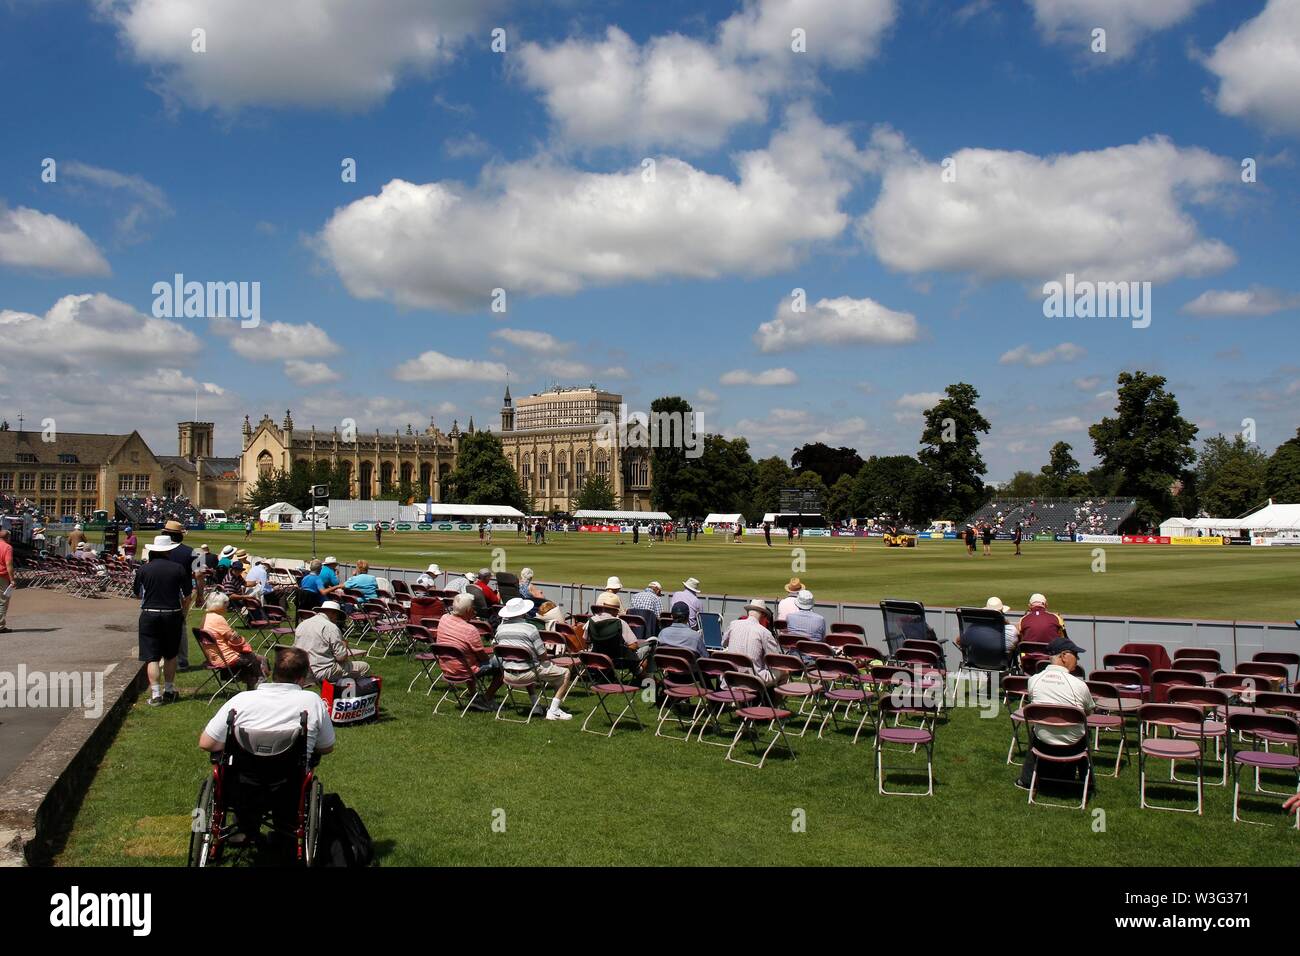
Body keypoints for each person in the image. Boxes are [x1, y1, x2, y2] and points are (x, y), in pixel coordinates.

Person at [1016, 636, 1094, 791]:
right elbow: (1088, 712)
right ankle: (1088, 782)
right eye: (1075, 655)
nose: (1077, 659)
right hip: (1073, 745)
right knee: (1086, 732)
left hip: (1043, 742)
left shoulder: (1034, 681)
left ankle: (1026, 779)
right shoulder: (1079, 685)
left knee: (1036, 730)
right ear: (1064, 656)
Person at [133, 534, 193, 705]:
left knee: (151, 656)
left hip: (149, 613)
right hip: (172, 613)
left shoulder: (144, 569)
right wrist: (183, 611)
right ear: (169, 551)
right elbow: (187, 595)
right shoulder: (178, 568)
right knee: (170, 655)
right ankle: (168, 689)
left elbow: (137, 593)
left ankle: (155, 694)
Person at [494, 597, 574, 720]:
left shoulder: (500, 629)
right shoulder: (530, 629)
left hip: (507, 674)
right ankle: (554, 710)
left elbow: (496, 647)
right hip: (528, 673)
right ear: (523, 612)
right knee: (565, 672)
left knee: (526, 665)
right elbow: (543, 655)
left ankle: (535, 705)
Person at [437, 592, 503, 709]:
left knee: (468, 658)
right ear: (468, 610)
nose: (475, 610)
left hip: (447, 667)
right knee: (502, 664)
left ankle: (474, 694)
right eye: (473, 607)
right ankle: (486, 698)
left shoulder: (444, 618)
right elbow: (482, 657)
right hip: (464, 669)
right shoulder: (470, 630)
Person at [292, 600, 371, 683]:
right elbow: (341, 657)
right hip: (323, 671)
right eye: (337, 615)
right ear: (333, 613)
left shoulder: (303, 624)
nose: (336, 619)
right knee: (364, 667)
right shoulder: (331, 627)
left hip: (302, 669)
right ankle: (349, 694)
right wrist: (343, 645)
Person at [199, 591, 265, 688]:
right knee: (254, 658)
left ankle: (253, 684)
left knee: (251, 657)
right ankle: (258, 683)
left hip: (212, 655)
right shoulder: (218, 619)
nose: (228, 606)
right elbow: (235, 640)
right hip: (223, 658)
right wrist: (241, 639)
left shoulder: (206, 617)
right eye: (226, 603)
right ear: (221, 604)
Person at [721, 599, 783, 686]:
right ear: (763, 615)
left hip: (731, 677)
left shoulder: (733, 624)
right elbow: (774, 660)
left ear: (748, 613)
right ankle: (772, 699)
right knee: (783, 672)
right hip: (754, 680)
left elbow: (723, 643)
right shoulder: (765, 633)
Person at [0, 528, 14, 633]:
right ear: (7, 537)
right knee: (2, 601)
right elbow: (9, 564)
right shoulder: (7, 547)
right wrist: (12, 579)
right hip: (2, 576)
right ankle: (0, 626)